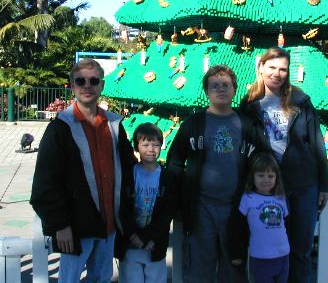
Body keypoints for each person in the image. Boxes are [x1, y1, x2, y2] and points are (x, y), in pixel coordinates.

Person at [30, 58, 136, 282]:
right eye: (81, 81)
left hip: (108, 226)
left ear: (102, 85)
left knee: (102, 278)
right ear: (72, 85)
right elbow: (46, 182)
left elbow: (129, 170)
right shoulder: (60, 128)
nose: (87, 86)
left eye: (93, 80)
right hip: (76, 227)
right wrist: (60, 225)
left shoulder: (114, 125)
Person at [240, 48, 328, 283]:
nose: (277, 74)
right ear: (260, 68)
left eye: (282, 69)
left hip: (302, 183)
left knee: (300, 249)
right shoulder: (250, 105)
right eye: (271, 68)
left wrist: (324, 184)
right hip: (268, 186)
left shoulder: (300, 101)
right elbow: (245, 145)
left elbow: (317, 142)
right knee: (272, 247)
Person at [166, 64, 258, 283]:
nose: (220, 89)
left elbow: (263, 163)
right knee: (200, 269)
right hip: (201, 208)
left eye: (226, 85)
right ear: (207, 91)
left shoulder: (247, 126)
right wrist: (178, 202)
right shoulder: (193, 124)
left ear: (234, 90)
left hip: (236, 209)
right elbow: (175, 162)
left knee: (233, 268)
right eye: (214, 85)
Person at [116, 122, 176, 283]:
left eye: (155, 145)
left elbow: (167, 212)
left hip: (154, 245)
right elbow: (122, 208)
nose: (151, 149)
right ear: (137, 147)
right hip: (130, 244)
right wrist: (133, 235)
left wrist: (148, 237)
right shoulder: (129, 175)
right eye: (146, 144)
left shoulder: (167, 177)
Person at [231, 151, 289, 283]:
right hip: (260, 257)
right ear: (253, 177)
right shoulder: (248, 198)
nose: (266, 180)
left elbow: (286, 225)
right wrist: (236, 253)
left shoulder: (280, 198)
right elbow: (237, 228)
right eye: (261, 175)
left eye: (270, 176)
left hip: (283, 255)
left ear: (276, 178)